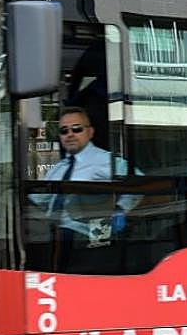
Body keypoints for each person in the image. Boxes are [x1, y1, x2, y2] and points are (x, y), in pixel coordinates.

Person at [32, 106, 140, 272]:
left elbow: (139, 183)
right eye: (64, 130)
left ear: (90, 132)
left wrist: (120, 209)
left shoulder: (105, 160)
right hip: (51, 238)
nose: (70, 134)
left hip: (83, 238)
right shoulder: (58, 168)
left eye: (76, 129)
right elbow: (39, 200)